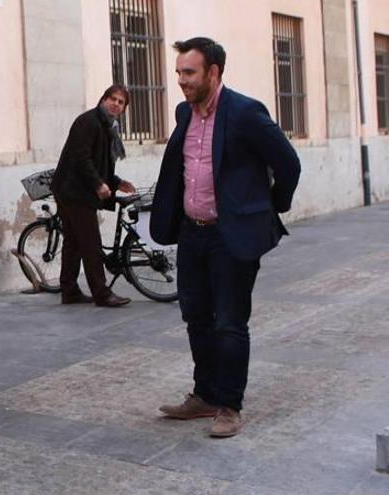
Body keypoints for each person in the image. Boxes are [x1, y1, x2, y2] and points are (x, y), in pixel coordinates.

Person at [151, 37, 300, 437]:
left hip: (229, 236)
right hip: (192, 233)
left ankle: (230, 406)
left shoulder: (246, 112)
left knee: (230, 323)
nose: (181, 80)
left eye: (189, 73)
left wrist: (267, 207)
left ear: (213, 72)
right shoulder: (185, 113)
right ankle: (205, 395)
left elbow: (288, 163)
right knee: (196, 317)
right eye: (179, 72)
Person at [49, 84, 136, 308]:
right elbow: (81, 158)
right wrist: (98, 184)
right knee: (90, 243)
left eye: (121, 102)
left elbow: (100, 162)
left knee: (74, 242)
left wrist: (116, 183)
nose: (116, 104)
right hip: (73, 190)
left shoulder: (108, 126)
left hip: (75, 189)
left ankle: (69, 290)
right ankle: (102, 293)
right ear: (103, 99)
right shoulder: (88, 121)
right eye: (112, 99)